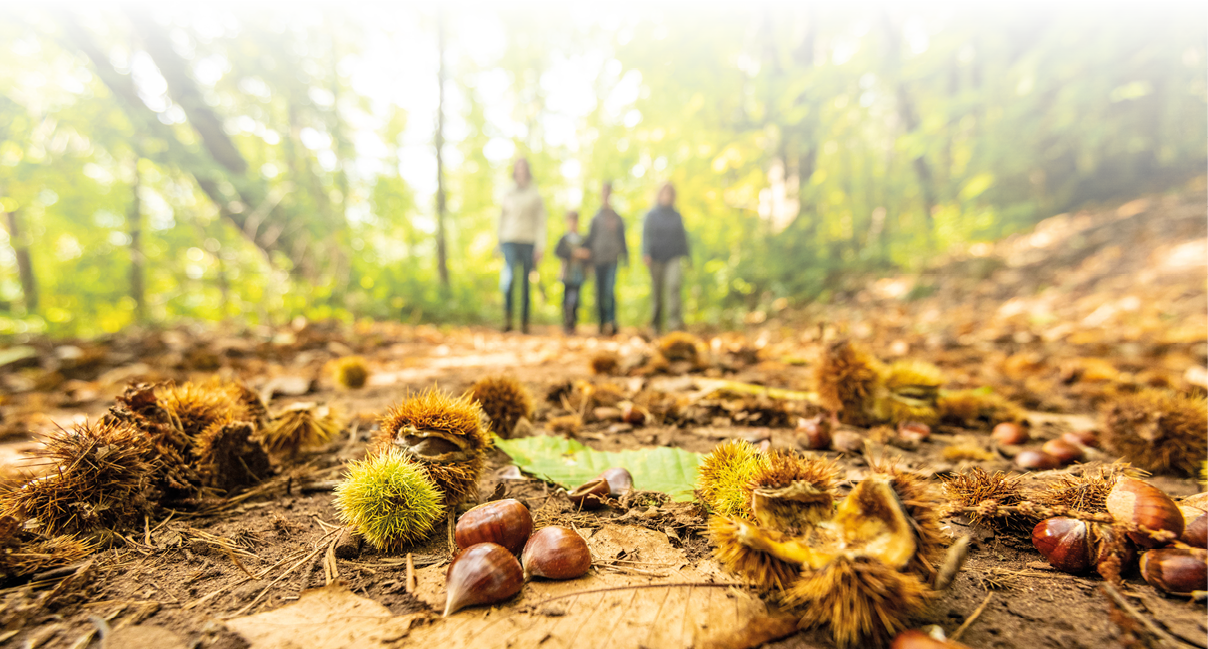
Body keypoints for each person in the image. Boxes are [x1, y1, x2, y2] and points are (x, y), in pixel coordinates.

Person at [498, 157, 547, 334]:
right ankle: (508, 318)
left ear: (527, 170)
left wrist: (540, 246)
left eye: (523, 167)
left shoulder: (535, 195)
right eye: (517, 168)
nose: (520, 171)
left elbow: (541, 222)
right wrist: (499, 242)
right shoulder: (508, 193)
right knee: (509, 279)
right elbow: (501, 219)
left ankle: (525, 322)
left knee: (526, 282)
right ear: (514, 170)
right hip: (509, 240)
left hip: (528, 241)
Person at [642, 182, 690, 333]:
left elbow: (682, 237)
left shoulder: (676, 216)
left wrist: (687, 256)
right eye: (664, 193)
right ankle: (655, 325)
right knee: (657, 293)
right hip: (655, 257)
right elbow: (646, 235)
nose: (667, 197)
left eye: (670, 194)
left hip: (673, 256)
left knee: (673, 286)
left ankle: (674, 323)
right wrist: (646, 252)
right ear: (659, 195)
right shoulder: (652, 215)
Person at [582, 182, 629, 336]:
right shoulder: (596, 218)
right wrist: (587, 262)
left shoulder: (617, 218)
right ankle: (601, 323)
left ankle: (612, 321)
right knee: (599, 292)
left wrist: (626, 257)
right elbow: (590, 240)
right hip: (597, 259)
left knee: (609, 290)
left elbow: (623, 239)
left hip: (612, 259)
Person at [553, 211, 589, 335]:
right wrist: (572, 253)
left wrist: (584, 255)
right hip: (567, 274)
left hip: (578, 274)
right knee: (567, 299)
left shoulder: (583, 239)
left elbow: (590, 254)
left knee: (576, 299)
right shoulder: (564, 239)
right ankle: (567, 323)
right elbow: (558, 252)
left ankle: (573, 323)